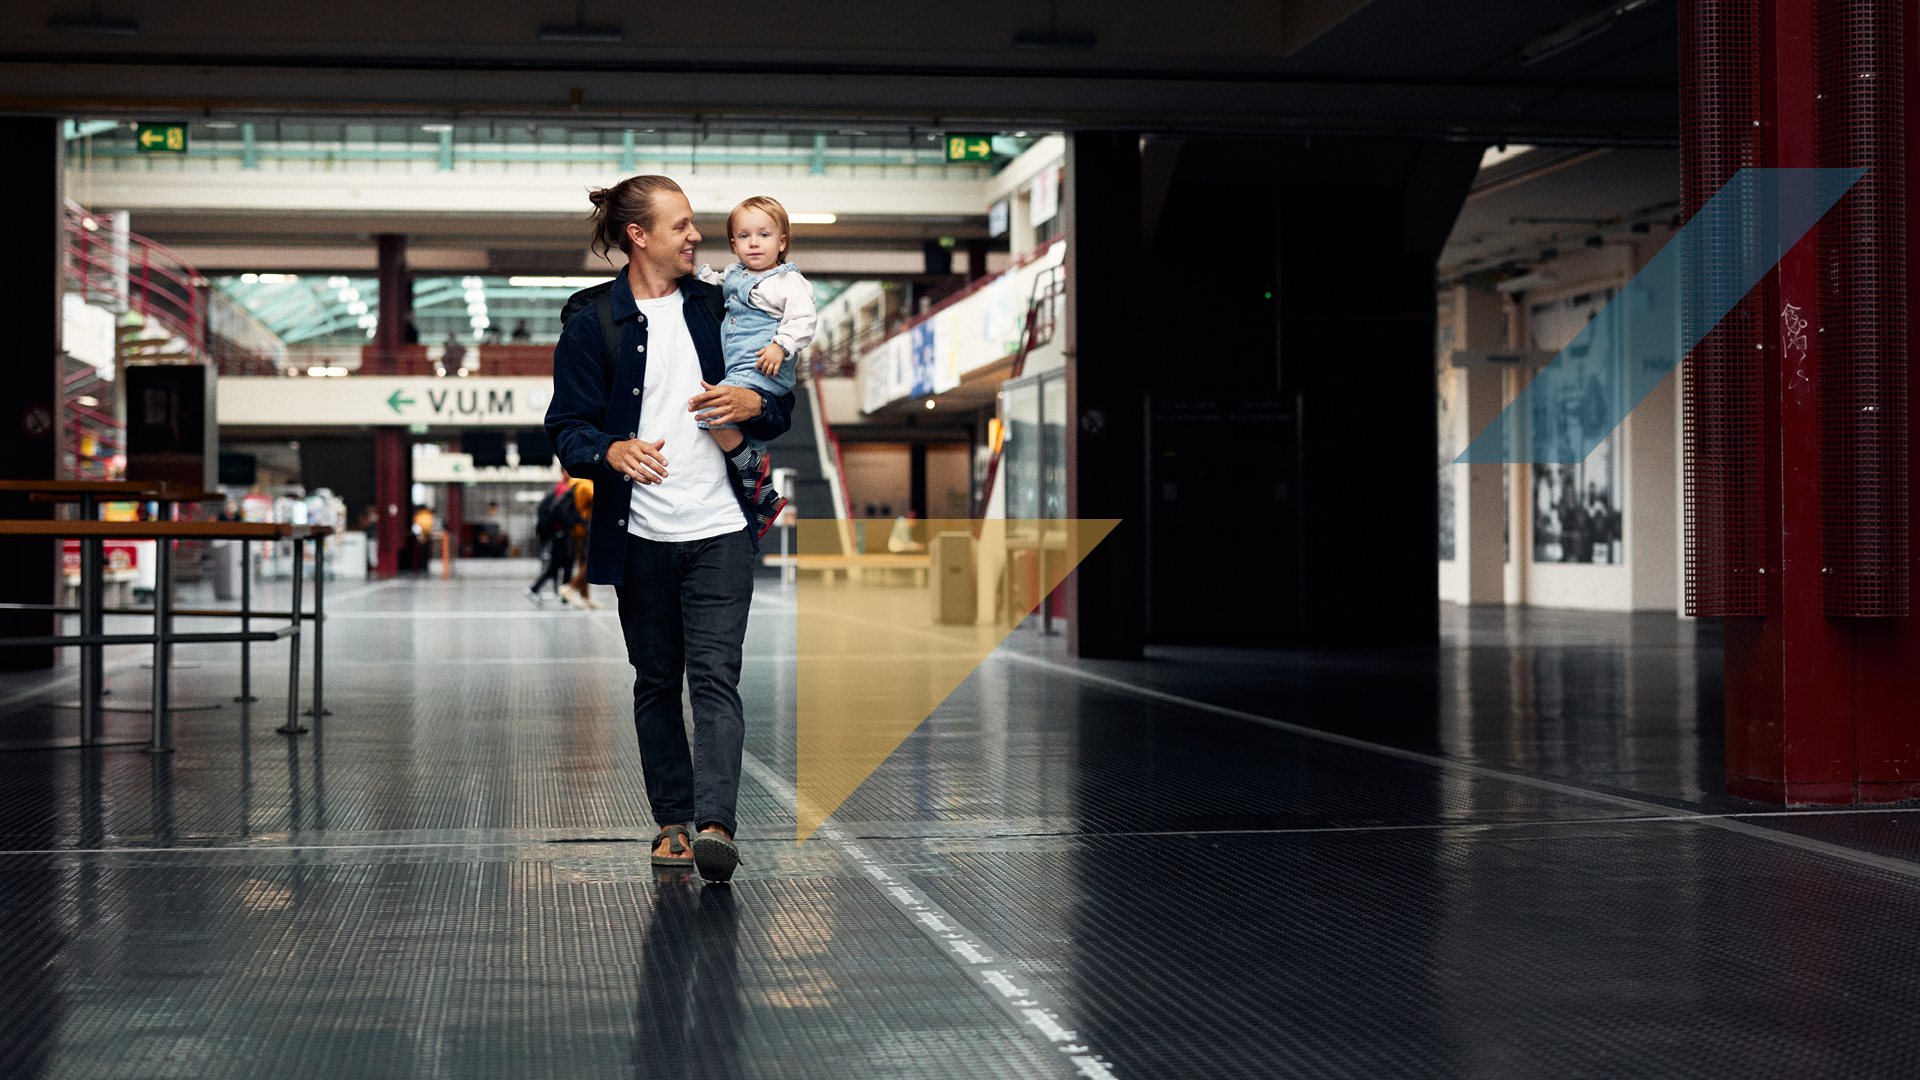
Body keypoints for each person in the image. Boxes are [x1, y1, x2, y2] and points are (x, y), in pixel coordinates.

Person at [545, 174, 793, 883]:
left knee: (716, 676)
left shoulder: (724, 305)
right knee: (656, 680)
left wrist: (753, 398)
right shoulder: (592, 320)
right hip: (641, 532)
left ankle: (716, 825)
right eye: (681, 225)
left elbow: (778, 403)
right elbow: (566, 428)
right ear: (638, 235)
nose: (697, 236)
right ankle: (673, 823)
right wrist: (608, 451)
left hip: (720, 527)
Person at [692, 196, 816, 536]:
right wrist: (697, 277)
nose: (755, 243)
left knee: (713, 413)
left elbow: (804, 317)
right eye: (744, 236)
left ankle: (751, 467)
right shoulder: (735, 274)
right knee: (730, 421)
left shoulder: (785, 281)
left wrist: (781, 345)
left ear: (782, 242)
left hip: (763, 366)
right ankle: (764, 495)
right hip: (742, 369)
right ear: (733, 245)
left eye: (764, 234)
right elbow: (719, 285)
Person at [526, 474, 580, 604]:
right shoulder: (563, 488)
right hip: (561, 532)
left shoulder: (560, 487)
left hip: (559, 532)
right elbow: (561, 511)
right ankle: (537, 589)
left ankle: (561, 594)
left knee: (563, 563)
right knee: (560, 563)